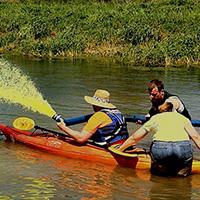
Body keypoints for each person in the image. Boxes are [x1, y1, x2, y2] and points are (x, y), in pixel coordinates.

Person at [118, 102, 200, 177]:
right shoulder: (183, 118)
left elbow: (135, 138)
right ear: (173, 110)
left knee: (159, 176)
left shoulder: (156, 118)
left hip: (161, 148)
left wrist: (120, 149)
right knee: (182, 178)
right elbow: (196, 137)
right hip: (183, 148)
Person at [52, 89, 129, 147]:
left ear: (96, 104)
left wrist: (63, 128)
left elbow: (81, 139)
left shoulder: (98, 116)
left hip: (108, 148)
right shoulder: (118, 113)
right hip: (124, 145)